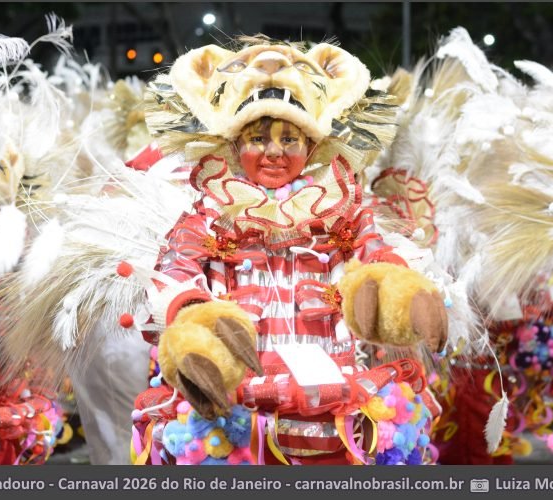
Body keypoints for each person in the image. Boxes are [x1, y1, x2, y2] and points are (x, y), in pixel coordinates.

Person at [129, 39, 450, 465]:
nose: (275, 151)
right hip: (236, 401)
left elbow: (376, 249)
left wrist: (391, 289)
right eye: (258, 137)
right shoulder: (208, 210)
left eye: (289, 138)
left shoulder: (343, 207)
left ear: (312, 147)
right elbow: (175, 269)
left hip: (331, 392)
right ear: (234, 145)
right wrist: (195, 319)